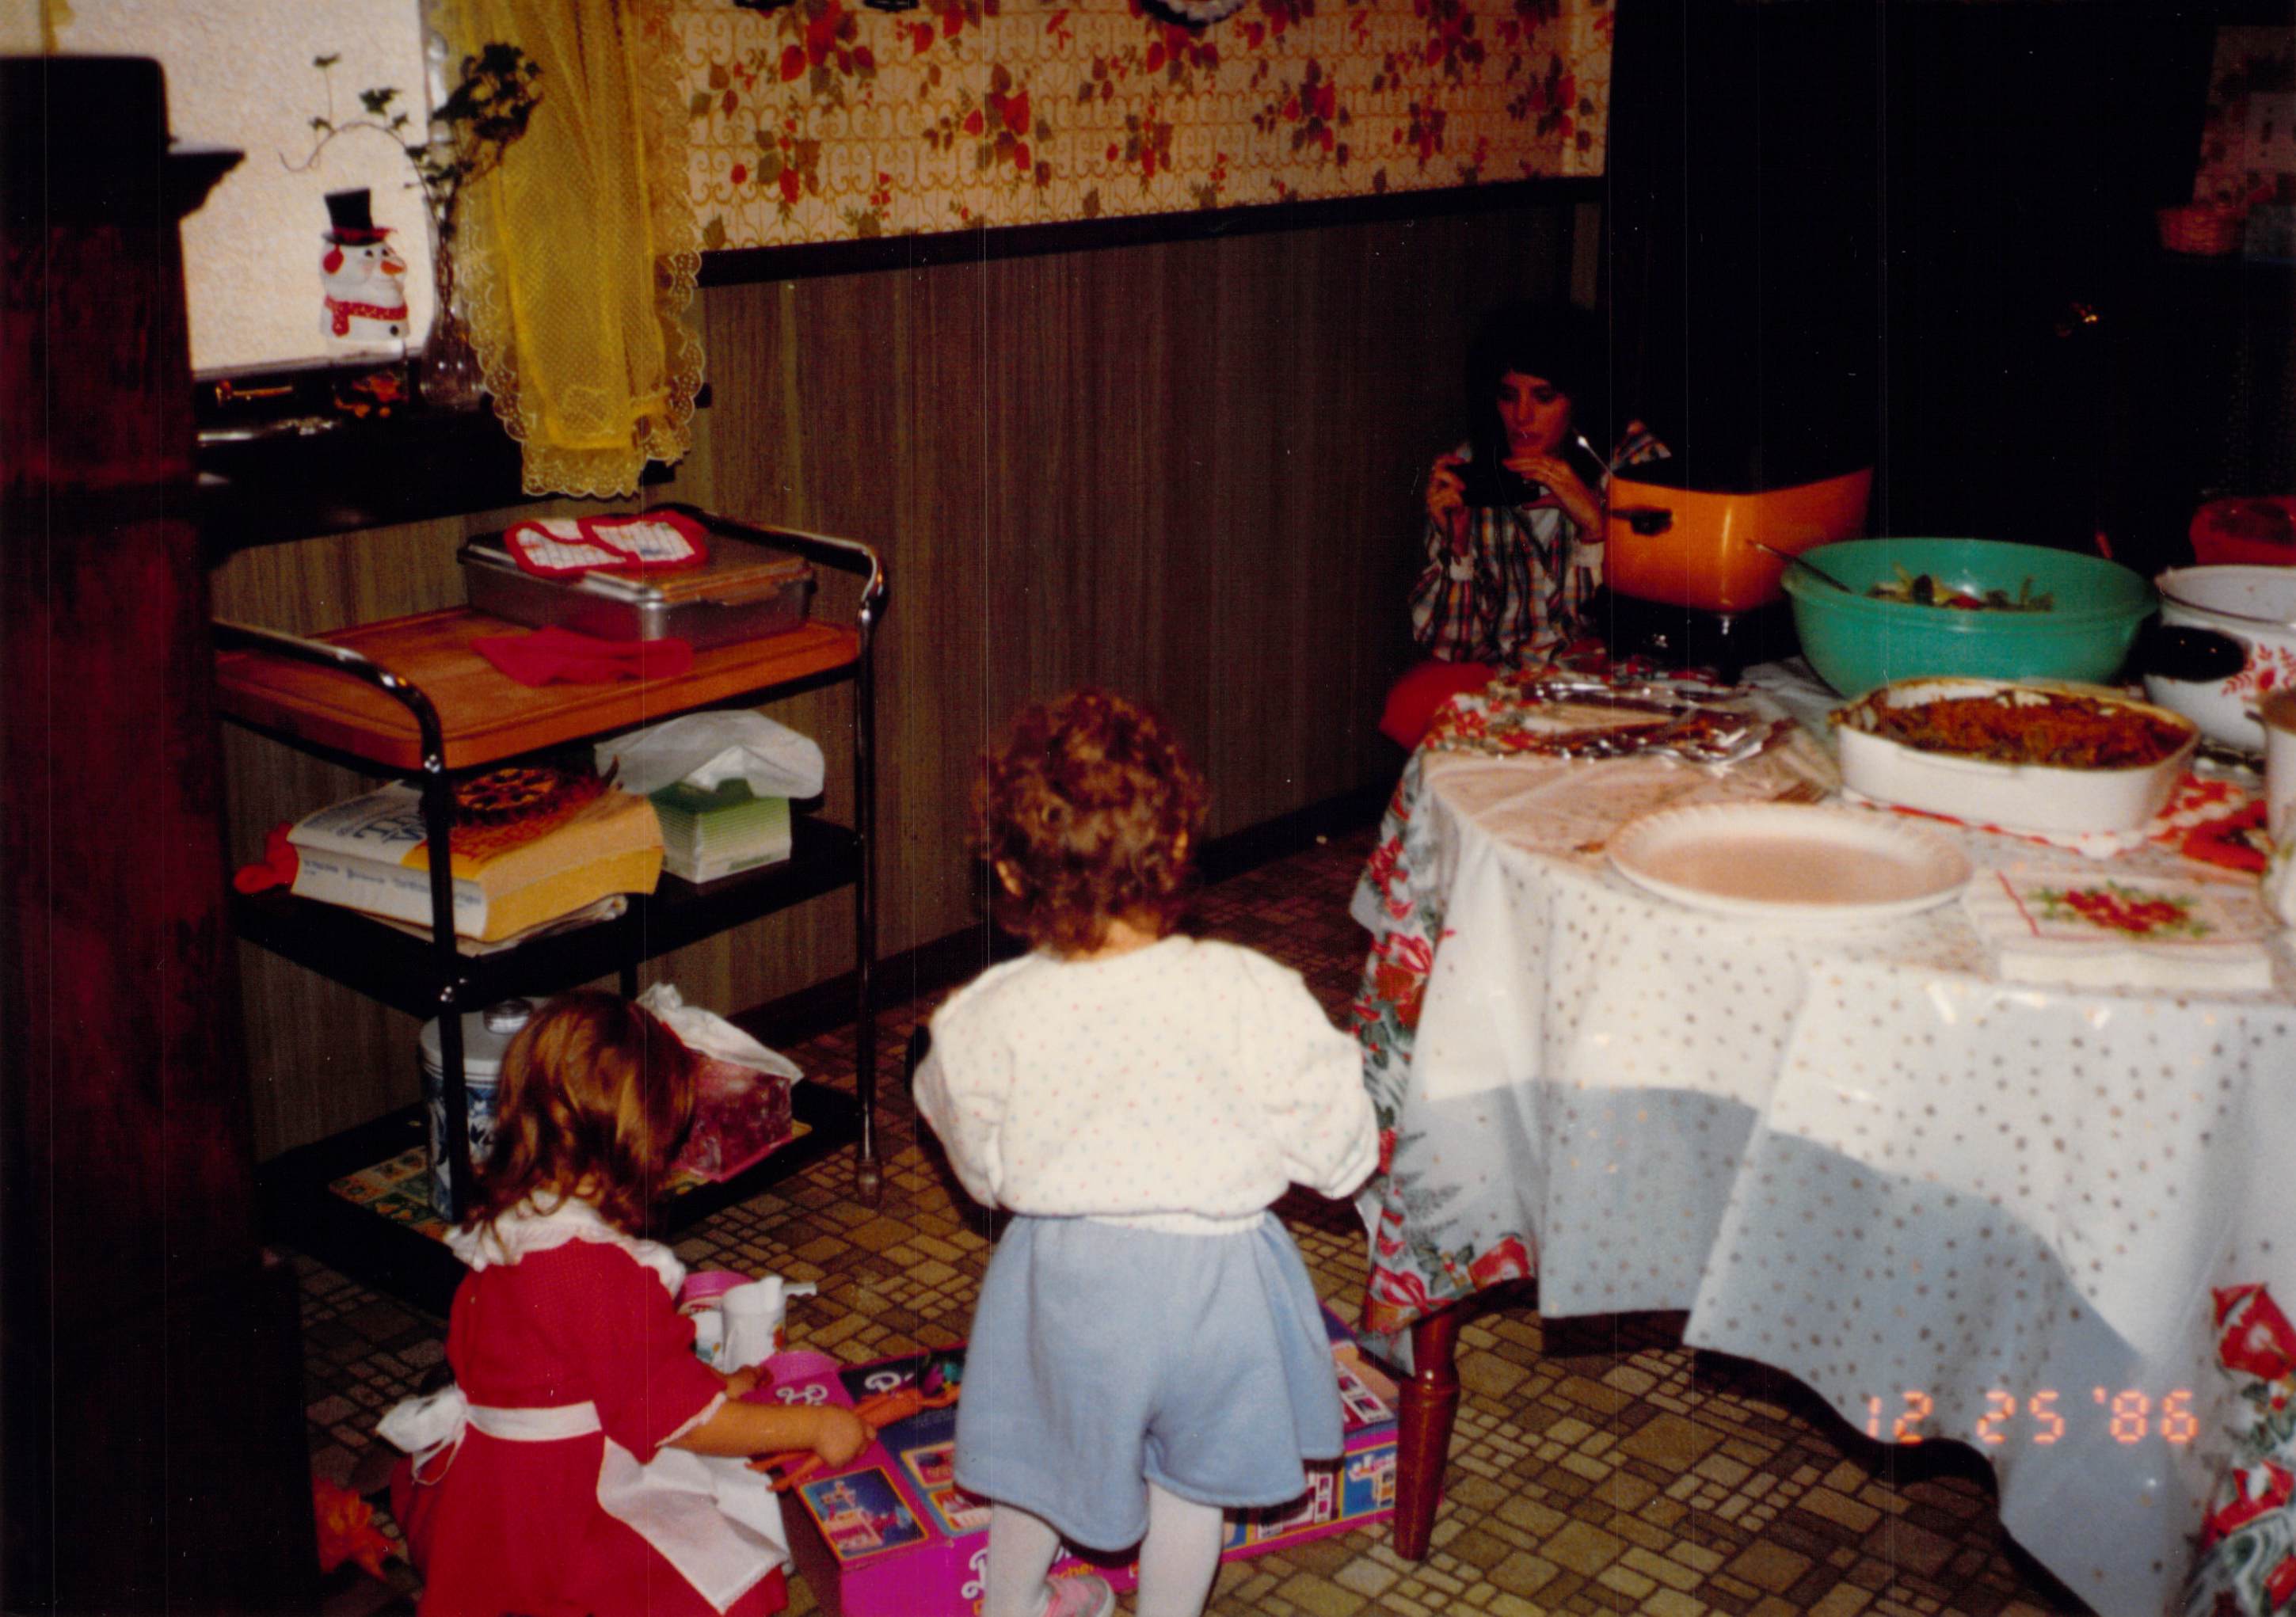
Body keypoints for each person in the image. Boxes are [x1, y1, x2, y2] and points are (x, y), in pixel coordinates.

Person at [914, 690, 1380, 1617]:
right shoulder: (1253, 990)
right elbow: (1340, 1153)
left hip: (1066, 1282)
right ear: (1175, 845)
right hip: (1220, 1288)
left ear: (1008, 870)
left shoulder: (985, 1016)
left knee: (1036, 1465)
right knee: (1192, 1487)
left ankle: (1012, 1606)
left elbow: (981, 1166)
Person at [380, 990, 870, 1617]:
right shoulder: (600, 1274)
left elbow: (590, 1365)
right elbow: (678, 1422)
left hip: (489, 1487)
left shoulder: (514, 1219)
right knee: (728, 1579)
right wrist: (816, 1427)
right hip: (558, 1505)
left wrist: (712, 1384)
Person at [1380, 300, 1670, 749]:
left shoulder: (1636, 464)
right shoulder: (1475, 467)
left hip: (1613, 674)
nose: (1522, 417)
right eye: (1507, 395)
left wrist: (1595, 528)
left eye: (1544, 397)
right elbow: (1453, 647)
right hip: (1516, 674)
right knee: (1412, 701)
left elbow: (1645, 629)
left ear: (1581, 398)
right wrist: (1457, 548)